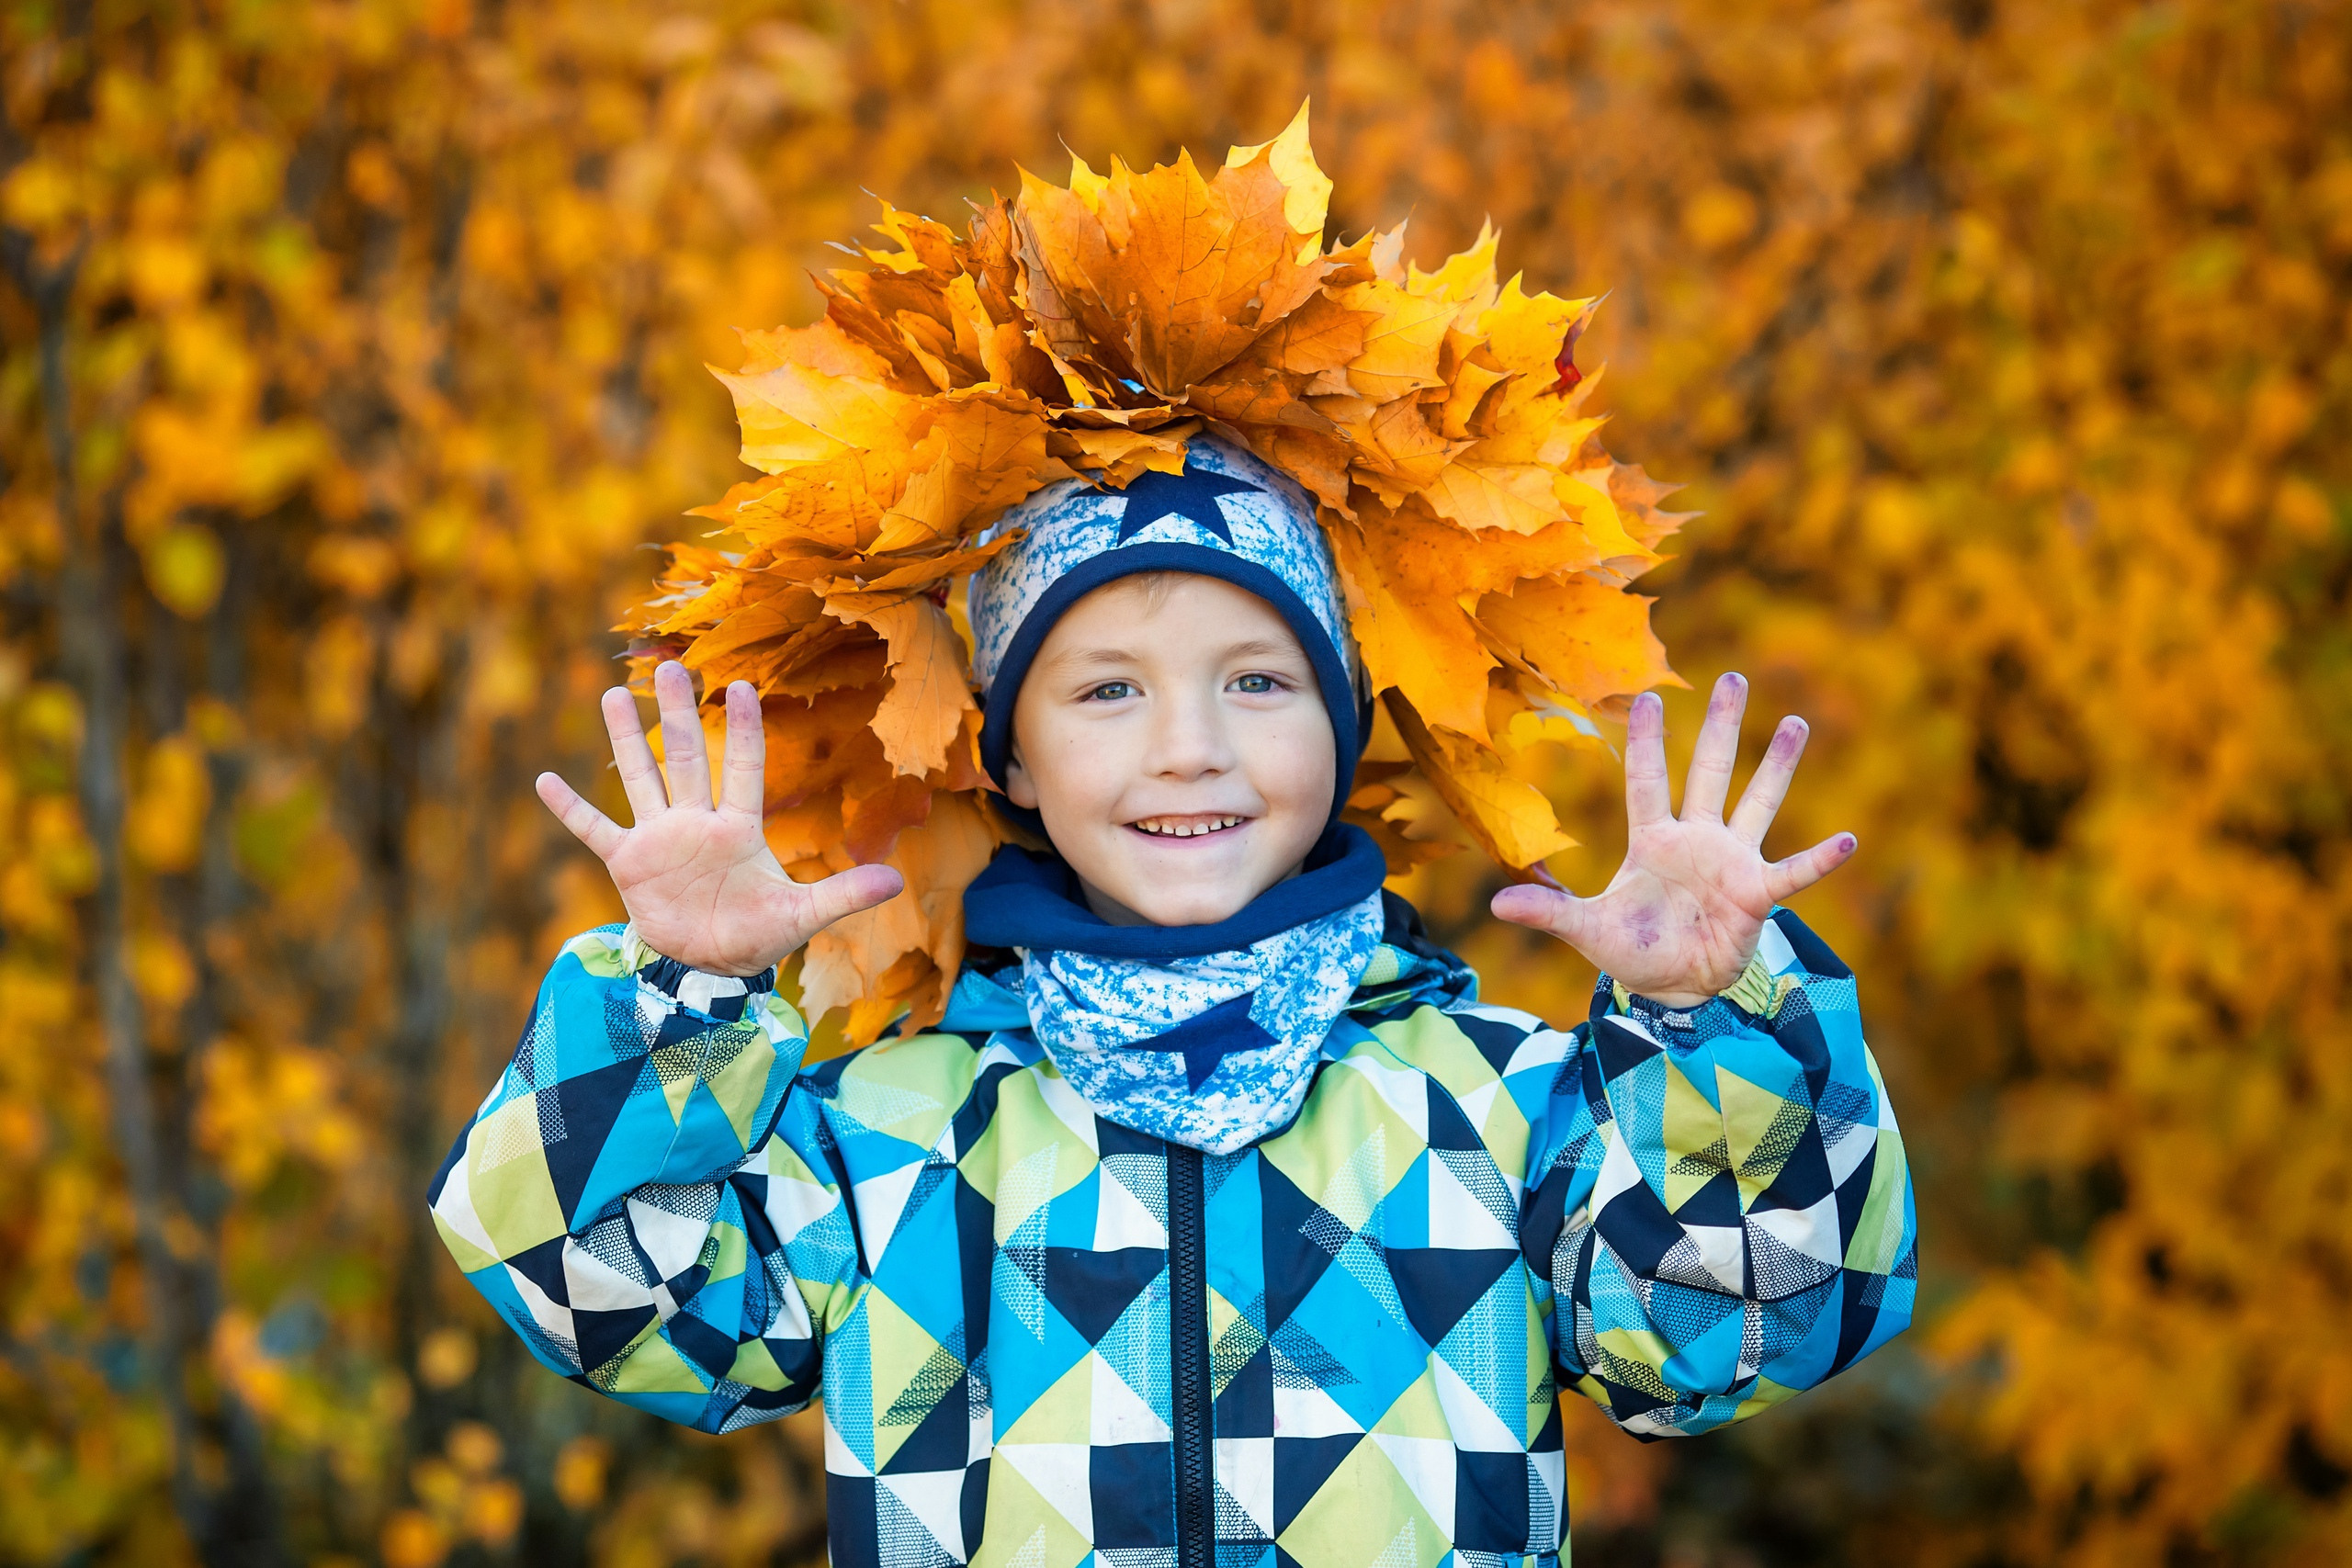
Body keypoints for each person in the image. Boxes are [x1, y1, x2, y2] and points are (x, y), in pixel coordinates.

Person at [427, 435, 1915, 1568]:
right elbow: (597, 1287)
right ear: (1006, 760)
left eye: (1260, 682)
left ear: (1343, 732)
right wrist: (681, 995)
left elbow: (1740, 1334)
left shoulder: (1495, 1106)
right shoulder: (890, 1138)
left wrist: (1713, 1030)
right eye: (1107, 691)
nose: (1190, 748)